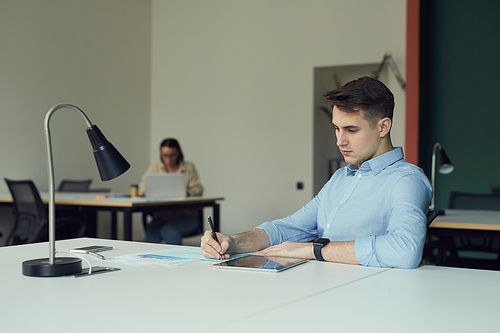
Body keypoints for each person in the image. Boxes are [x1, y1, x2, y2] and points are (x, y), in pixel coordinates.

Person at [201, 76, 433, 269]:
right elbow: (292, 227)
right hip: (324, 292)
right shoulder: (341, 178)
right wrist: (233, 242)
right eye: (337, 128)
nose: (340, 140)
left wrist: (313, 250)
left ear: (383, 127)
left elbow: (405, 250)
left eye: (351, 130)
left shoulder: (406, 180)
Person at [139, 138, 203, 245]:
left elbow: (198, 189)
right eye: (165, 156)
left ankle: (176, 260)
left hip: (187, 216)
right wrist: (148, 192)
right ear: (161, 154)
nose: (168, 160)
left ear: (178, 153)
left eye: (172, 155)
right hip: (162, 216)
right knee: (151, 232)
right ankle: (148, 261)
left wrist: (186, 192)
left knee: (169, 231)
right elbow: (142, 188)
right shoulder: (155, 167)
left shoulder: (188, 167)